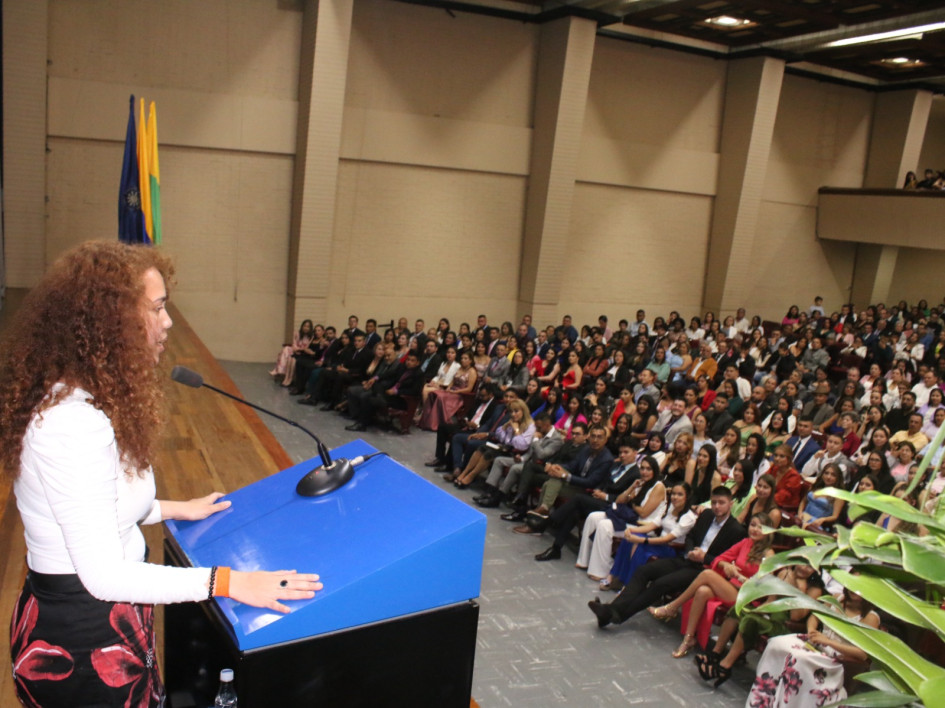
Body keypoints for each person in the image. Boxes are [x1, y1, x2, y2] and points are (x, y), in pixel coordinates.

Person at [0, 242, 322, 707]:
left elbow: (95, 504)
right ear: (110, 323)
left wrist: (172, 508)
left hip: (109, 619)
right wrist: (230, 582)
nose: (168, 321)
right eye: (157, 308)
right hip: (83, 639)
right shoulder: (72, 423)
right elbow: (104, 575)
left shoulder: (91, 395)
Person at [586, 486, 745, 630]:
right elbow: (690, 537)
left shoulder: (735, 530)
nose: (717, 507)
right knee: (643, 570)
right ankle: (612, 612)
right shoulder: (707, 515)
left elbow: (728, 561)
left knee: (661, 583)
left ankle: (613, 614)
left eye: (721, 503)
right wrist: (691, 551)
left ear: (730, 504)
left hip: (704, 571)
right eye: (714, 502)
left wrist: (704, 557)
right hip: (686, 559)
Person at [648, 512, 774, 658]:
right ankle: (688, 639)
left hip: (747, 596)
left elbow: (762, 586)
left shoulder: (769, 554)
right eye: (752, 525)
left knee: (706, 575)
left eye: (760, 527)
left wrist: (739, 575)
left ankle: (672, 606)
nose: (755, 530)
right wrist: (726, 565)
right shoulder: (745, 542)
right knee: (702, 591)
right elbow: (719, 559)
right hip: (731, 588)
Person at [747, 589, 880, 707]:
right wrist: (811, 631)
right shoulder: (836, 598)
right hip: (817, 642)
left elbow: (863, 654)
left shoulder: (870, 617)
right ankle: (764, 701)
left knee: (799, 658)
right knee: (776, 644)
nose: (854, 590)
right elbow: (814, 617)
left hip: (838, 657)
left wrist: (829, 642)